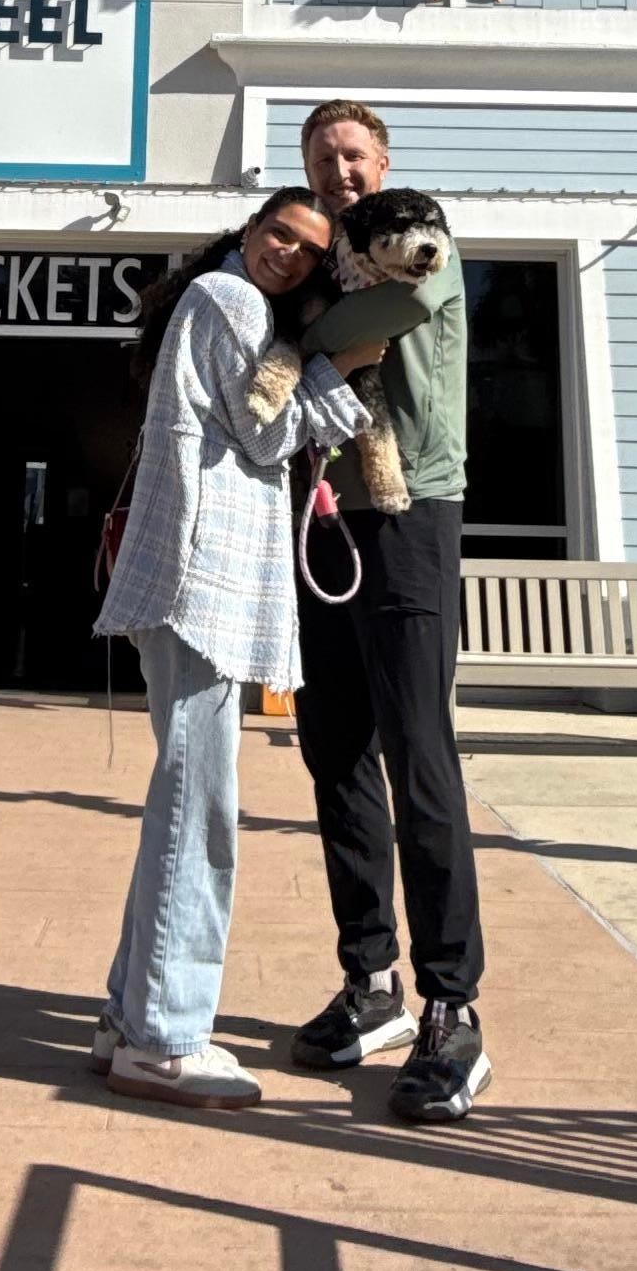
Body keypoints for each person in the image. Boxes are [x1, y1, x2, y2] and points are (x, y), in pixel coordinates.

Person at [90, 193, 373, 1107]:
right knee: (198, 807)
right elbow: (264, 427)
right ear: (247, 234)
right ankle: (166, 1038)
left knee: (183, 795)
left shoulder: (219, 302)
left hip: (193, 572)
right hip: (199, 574)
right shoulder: (230, 301)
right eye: (276, 234)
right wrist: (349, 374)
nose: (287, 253)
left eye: (305, 248)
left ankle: (128, 1015)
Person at [287, 100, 491, 1122]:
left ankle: (454, 1005)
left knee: (419, 756)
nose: (340, 172)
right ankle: (373, 985)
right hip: (324, 516)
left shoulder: (420, 230)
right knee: (335, 753)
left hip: (411, 511)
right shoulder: (315, 250)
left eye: (352, 154)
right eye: (324, 158)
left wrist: (299, 340)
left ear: (384, 160)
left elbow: (391, 315)